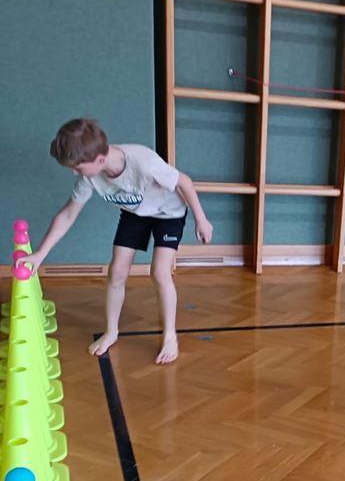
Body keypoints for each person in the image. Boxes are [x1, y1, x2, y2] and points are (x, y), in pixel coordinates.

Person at [15, 118, 213, 364]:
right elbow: (68, 215)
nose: (75, 172)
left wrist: (201, 219)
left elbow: (184, 182)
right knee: (117, 271)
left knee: (160, 272)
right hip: (135, 214)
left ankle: (170, 336)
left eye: (78, 167)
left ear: (99, 160)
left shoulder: (143, 161)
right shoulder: (90, 177)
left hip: (168, 213)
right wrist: (40, 254)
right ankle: (111, 332)